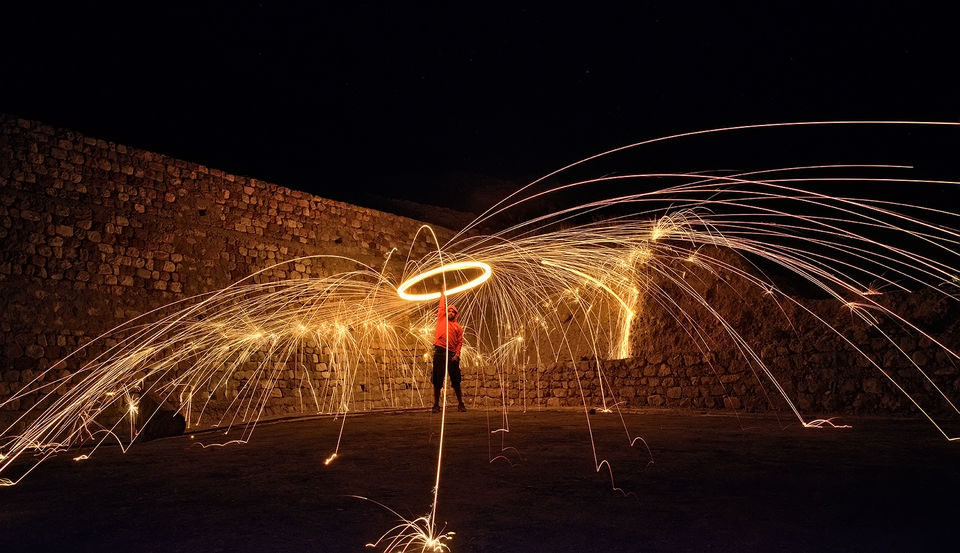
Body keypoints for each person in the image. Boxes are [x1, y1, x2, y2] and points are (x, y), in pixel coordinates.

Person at [432, 290, 465, 412]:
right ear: (446, 312)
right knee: (437, 379)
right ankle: (436, 405)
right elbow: (441, 306)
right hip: (439, 352)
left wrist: (457, 355)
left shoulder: (458, 327)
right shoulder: (441, 319)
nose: (450, 312)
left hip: (452, 355)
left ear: (456, 314)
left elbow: (459, 342)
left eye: (453, 311)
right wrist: (442, 294)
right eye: (449, 311)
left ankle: (461, 404)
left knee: (456, 380)